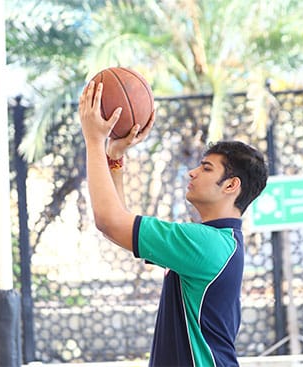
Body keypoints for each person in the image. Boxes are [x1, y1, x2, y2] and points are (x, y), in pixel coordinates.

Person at [78, 80, 268, 367]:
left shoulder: (206, 244)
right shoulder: (217, 240)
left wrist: (93, 140)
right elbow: (118, 225)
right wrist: (114, 158)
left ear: (231, 185)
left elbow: (109, 221)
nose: (192, 172)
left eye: (205, 168)